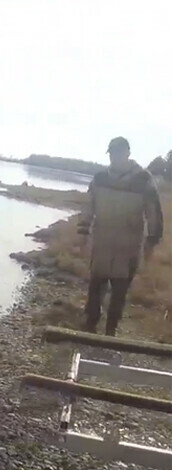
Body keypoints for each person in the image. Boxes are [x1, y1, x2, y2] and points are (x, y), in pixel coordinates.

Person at [78, 136, 164, 336]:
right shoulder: (100, 178)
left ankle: (111, 330)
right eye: (112, 154)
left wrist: (152, 239)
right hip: (102, 243)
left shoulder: (143, 179)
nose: (114, 158)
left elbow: (154, 211)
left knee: (119, 291)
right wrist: (83, 231)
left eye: (118, 153)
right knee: (95, 286)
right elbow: (88, 206)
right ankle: (90, 324)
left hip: (129, 247)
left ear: (127, 153)